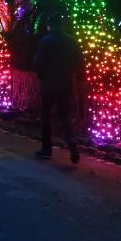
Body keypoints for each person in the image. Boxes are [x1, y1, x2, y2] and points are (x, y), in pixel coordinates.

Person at [32, 13, 83, 163]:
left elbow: (39, 63)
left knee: (46, 115)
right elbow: (79, 62)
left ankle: (46, 148)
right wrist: (70, 75)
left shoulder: (45, 41)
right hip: (66, 84)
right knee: (64, 115)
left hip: (48, 84)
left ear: (50, 25)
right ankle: (71, 141)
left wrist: (42, 77)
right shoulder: (71, 41)